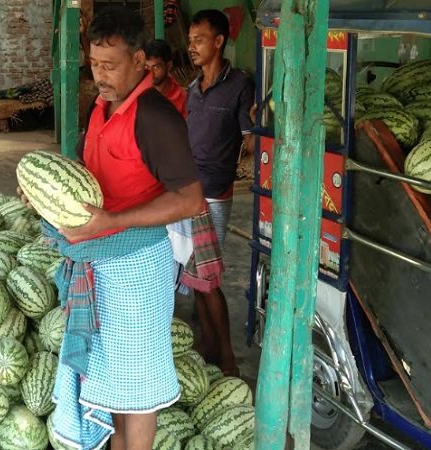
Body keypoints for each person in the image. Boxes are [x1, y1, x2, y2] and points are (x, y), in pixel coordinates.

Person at [21, 7, 205, 450]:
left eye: (111, 66)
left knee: (138, 395)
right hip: (98, 261)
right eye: (94, 65)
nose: (100, 76)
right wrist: (43, 193)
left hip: (138, 267)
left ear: (140, 60)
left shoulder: (155, 116)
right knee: (114, 387)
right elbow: (90, 174)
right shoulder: (100, 107)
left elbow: (191, 199)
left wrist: (113, 221)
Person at [185, 9, 256, 377]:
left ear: (218, 41)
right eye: (190, 40)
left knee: (208, 279)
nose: (191, 47)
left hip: (214, 195)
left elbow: (249, 139)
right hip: (186, 193)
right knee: (195, 277)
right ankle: (209, 346)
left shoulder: (240, 84)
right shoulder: (193, 90)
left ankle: (227, 360)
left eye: (199, 40)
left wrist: (248, 158)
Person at [143, 39, 187, 118]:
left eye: (156, 67)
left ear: (169, 66)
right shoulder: (140, 95)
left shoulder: (183, 99)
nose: (151, 74)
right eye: (147, 67)